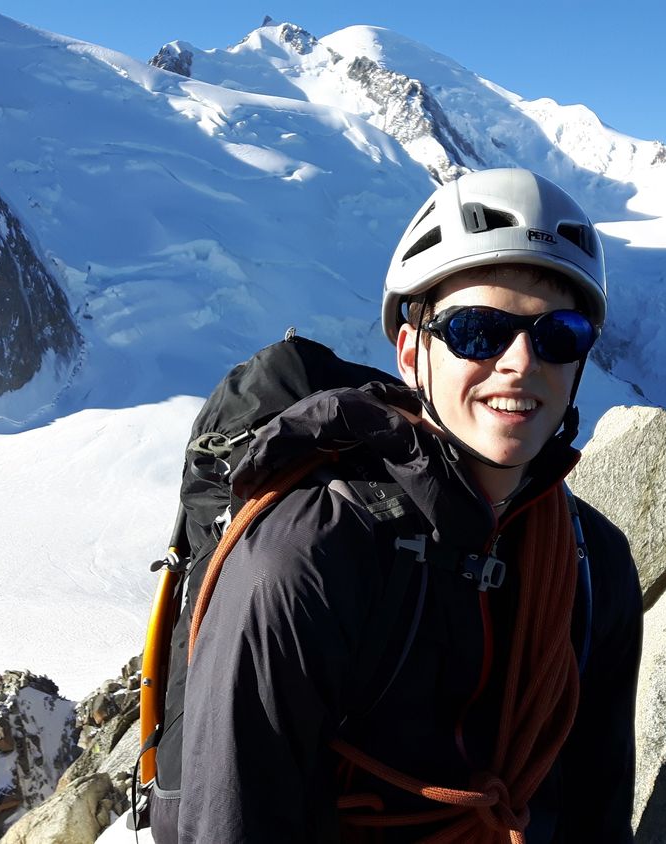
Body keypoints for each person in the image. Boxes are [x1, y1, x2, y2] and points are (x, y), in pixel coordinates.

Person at [174, 168, 642, 843]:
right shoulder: (306, 562)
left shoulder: (591, 564)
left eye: (558, 334)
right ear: (410, 351)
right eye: (478, 330)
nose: (520, 361)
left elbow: (595, 817)